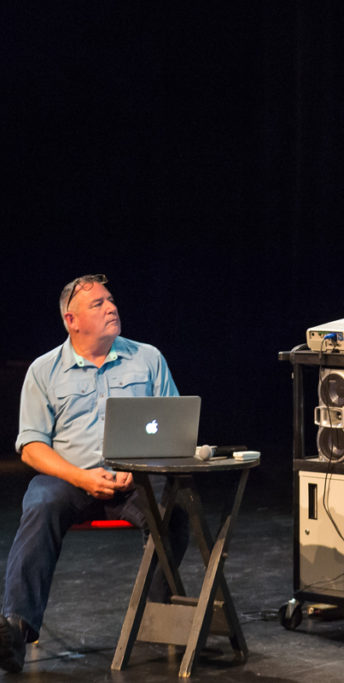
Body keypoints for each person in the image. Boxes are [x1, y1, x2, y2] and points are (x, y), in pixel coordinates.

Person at [0, 274, 188, 674]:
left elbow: (173, 427)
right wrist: (82, 478)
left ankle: (155, 619)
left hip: (136, 478)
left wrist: (140, 471)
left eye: (111, 300)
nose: (112, 308)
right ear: (72, 320)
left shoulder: (147, 358)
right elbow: (32, 446)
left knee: (177, 508)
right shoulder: (44, 370)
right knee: (41, 502)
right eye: (98, 304)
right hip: (71, 478)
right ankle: (16, 628)